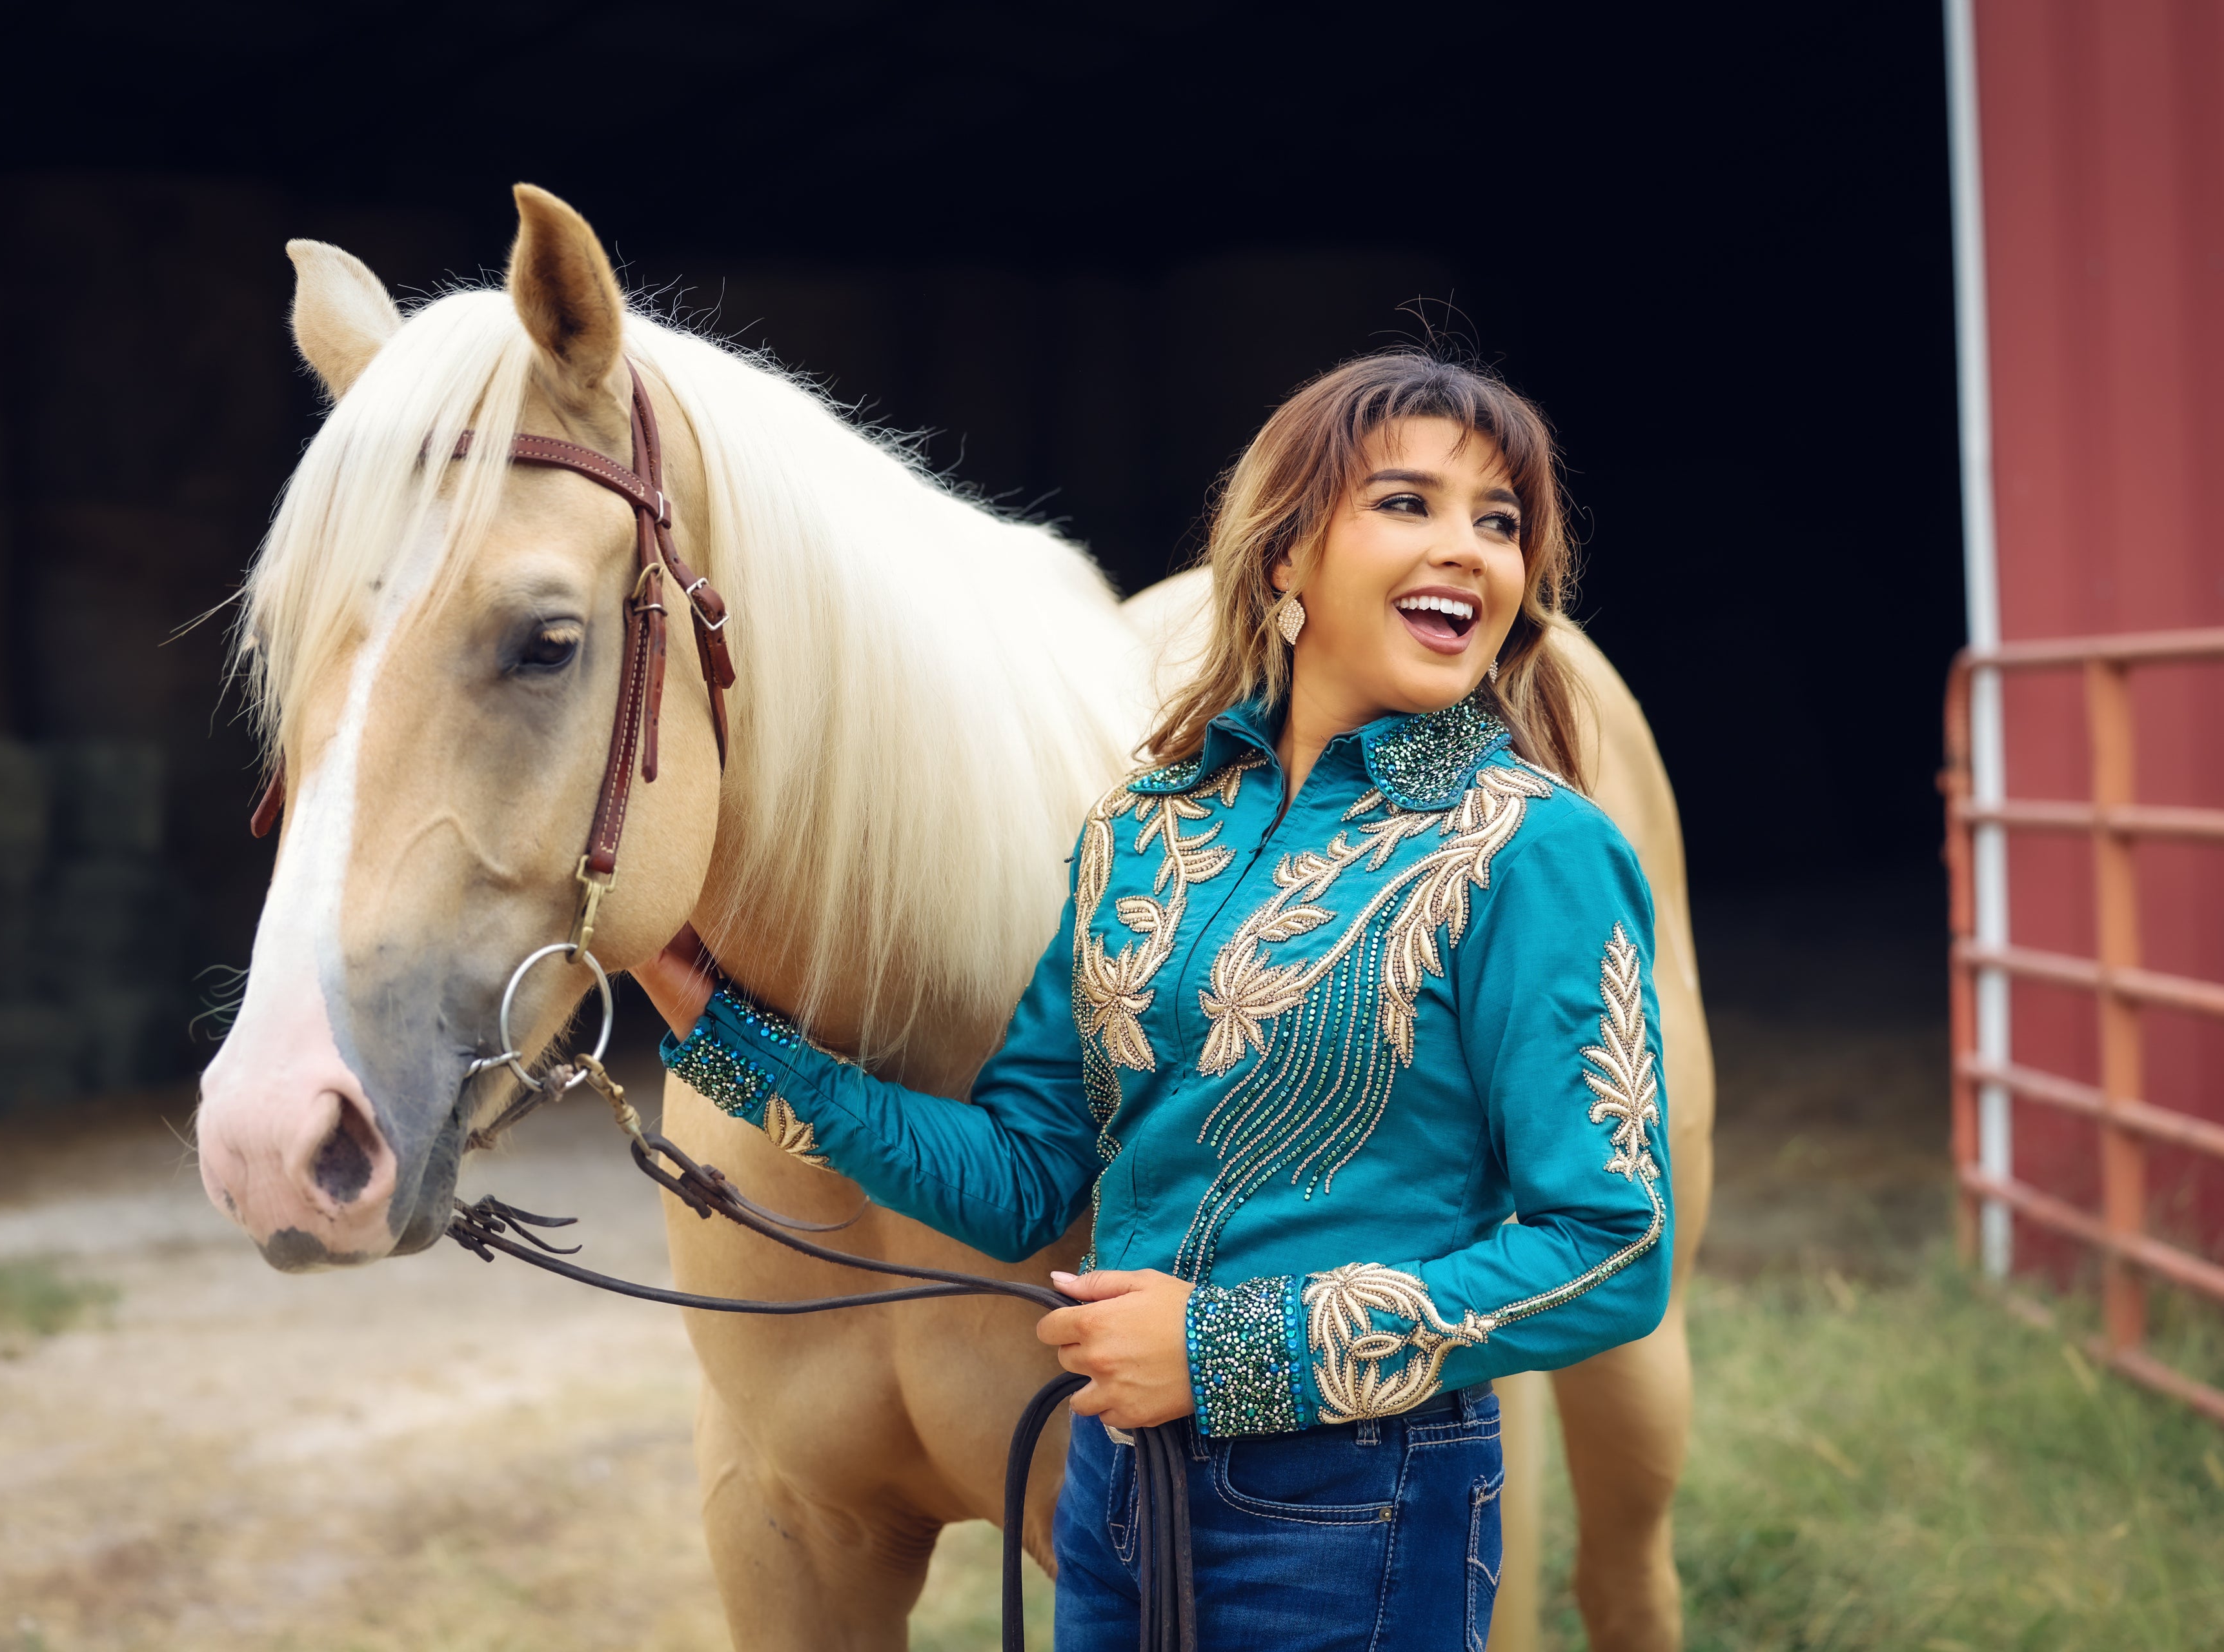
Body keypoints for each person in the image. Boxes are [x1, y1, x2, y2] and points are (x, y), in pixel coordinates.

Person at [632, 351, 1672, 1651]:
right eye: (1409, 503)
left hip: (1362, 1501)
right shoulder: (1138, 831)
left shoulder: (1535, 851)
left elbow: (1613, 1250)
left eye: (1500, 519)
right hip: (1116, 1493)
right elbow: (1021, 1176)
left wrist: (1228, 1351)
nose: (1467, 547)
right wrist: (727, 1042)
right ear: (1287, 558)